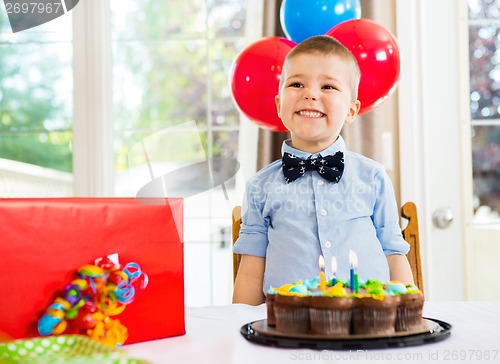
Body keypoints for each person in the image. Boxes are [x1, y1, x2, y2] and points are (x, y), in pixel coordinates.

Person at [232, 35, 414, 305]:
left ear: (351, 110)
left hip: (367, 321)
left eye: (328, 86)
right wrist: (240, 328)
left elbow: (393, 253)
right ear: (279, 104)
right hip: (287, 325)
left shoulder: (373, 177)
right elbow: (250, 271)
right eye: (296, 84)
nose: (311, 94)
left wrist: (408, 316)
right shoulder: (259, 186)